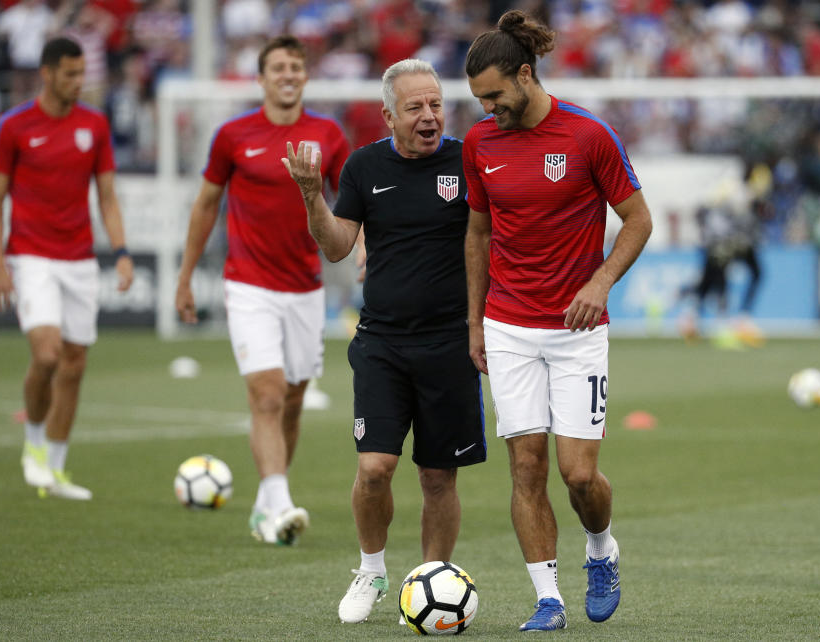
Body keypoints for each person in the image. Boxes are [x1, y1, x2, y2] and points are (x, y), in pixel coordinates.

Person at [463, 10, 653, 631]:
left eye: (495, 95)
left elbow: (638, 220)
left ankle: (601, 550)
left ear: (525, 75)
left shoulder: (590, 136)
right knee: (525, 466)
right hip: (508, 325)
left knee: (578, 476)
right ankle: (548, 599)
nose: (489, 108)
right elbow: (479, 231)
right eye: (480, 99)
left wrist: (600, 282)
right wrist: (474, 322)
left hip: (576, 332)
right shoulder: (479, 144)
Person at [282, 58, 486, 624]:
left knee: (438, 476)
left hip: (450, 344)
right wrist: (310, 195)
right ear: (389, 115)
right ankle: (371, 569)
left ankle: (430, 583)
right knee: (374, 468)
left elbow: (495, 234)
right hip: (383, 343)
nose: (429, 116)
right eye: (416, 107)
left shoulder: (468, 160)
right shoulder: (364, 166)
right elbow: (336, 245)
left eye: (436, 104)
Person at [174, 35, 350, 545]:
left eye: (296, 65)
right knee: (268, 395)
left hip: (305, 287)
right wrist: (185, 276)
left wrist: (363, 245)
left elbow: (352, 199)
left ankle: (265, 503)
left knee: (292, 397)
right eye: (278, 66)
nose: (288, 74)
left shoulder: (327, 133)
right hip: (248, 284)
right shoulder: (233, 135)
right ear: (261, 77)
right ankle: (279, 504)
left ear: (306, 76)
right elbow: (207, 205)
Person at [0, 36, 134, 500]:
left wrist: (121, 251)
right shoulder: (13, 126)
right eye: (69, 74)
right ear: (47, 74)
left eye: (81, 73)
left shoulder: (94, 125)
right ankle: (33, 447)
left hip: (80, 259)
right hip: (30, 255)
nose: (77, 82)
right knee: (46, 354)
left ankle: (57, 467)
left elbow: (107, 195)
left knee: (74, 363)